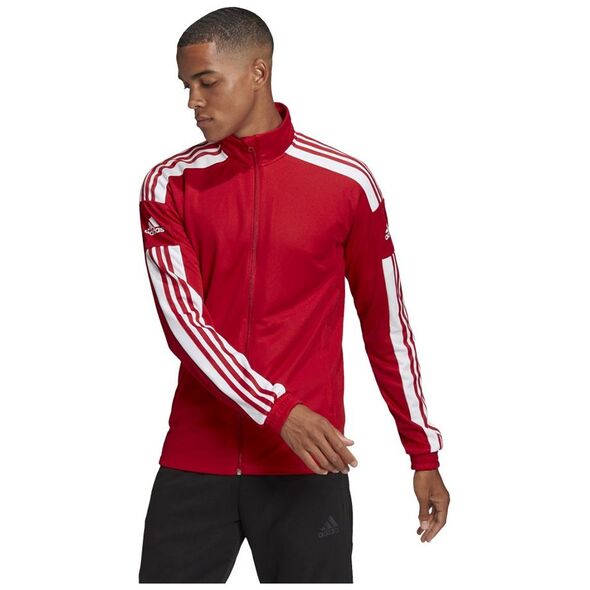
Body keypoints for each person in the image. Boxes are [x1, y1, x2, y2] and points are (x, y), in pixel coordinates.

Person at [137, 6, 450, 584]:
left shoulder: (347, 183)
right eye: (186, 86)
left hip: (308, 465)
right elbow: (184, 325)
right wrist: (278, 411)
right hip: (197, 461)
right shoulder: (170, 184)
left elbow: (386, 326)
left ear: (258, 72)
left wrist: (422, 452)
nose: (193, 101)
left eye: (207, 82)